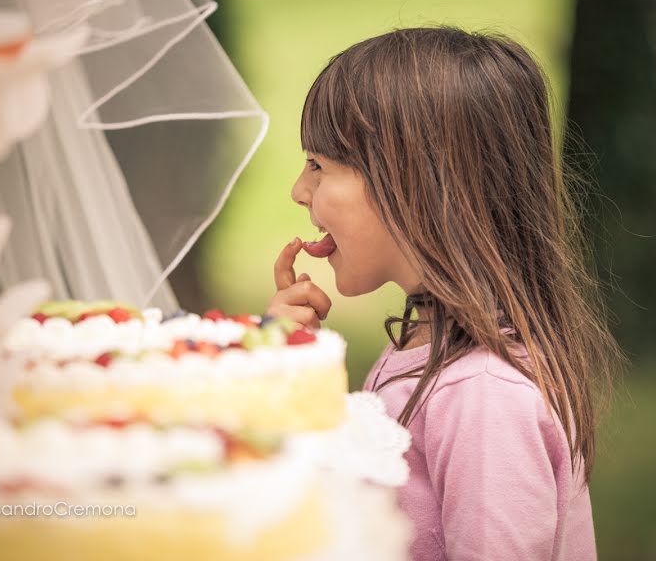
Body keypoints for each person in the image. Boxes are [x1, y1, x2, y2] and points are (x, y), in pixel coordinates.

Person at [267, 27, 623, 560]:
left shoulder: (484, 395)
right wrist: (287, 367)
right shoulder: (427, 342)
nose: (299, 190)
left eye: (318, 165)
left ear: (416, 185)